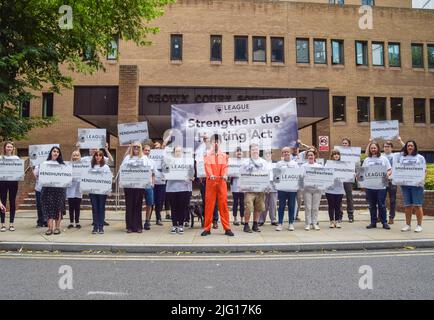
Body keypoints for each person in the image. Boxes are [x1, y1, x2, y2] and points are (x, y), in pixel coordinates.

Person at [201, 134, 234, 236]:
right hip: (211, 183)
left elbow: (225, 167)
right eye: (214, 142)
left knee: (223, 205)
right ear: (211, 143)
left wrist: (224, 174)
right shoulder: (207, 156)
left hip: (221, 183)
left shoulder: (224, 156)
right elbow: (207, 167)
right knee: (209, 205)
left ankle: (227, 228)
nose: (215, 143)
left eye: (217, 142)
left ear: (220, 143)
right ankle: (207, 228)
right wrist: (210, 175)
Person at [78, 142, 113, 226]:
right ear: (89, 150)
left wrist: (106, 149)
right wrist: (78, 148)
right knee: (94, 206)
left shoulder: (102, 160)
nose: (94, 150)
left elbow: (111, 161)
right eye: (92, 148)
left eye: (95, 149)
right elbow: (76, 162)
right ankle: (95, 221)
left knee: (101, 206)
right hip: (92, 188)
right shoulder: (86, 160)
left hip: (102, 188)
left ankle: (101, 221)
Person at [361, 141, 391, 230]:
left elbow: (389, 170)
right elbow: (362, 172)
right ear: (369, 150)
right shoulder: (367, 160)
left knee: (381, 204)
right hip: (370, 187)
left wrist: (387, 175)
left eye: (374, 148)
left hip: (381, 186)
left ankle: (384, 222)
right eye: (371, 148)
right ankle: (373, 222)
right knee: (372, 205)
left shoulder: (384, 159)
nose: (373, 149)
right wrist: (359, 179)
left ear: (378, 148)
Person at [398, 140, 426, 233]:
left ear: (415, 147)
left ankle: (419, 225)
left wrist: (421, 181)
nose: (410, 147)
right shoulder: (402, 157)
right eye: (408, 146)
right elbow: (398, 169)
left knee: (417, 205)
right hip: (405, 185)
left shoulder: (420, 157)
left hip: (417, 185)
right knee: (407, 206)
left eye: (411, 145)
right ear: (406, 147)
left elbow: (424, 171)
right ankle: (408, 225)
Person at [165, 146, 194, 234]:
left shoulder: (187, 161)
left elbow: (191, 172)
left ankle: (181, 225)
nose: (178, 152)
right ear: (173, 152)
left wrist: (191, 177)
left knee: (182, 207)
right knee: (173, 208)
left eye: (179, 151)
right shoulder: (169, 161)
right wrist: (164, 175)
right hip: (172, 188)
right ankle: (174, 225)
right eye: (176, 151)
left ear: (182, 152)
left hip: (183, 188)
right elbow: (165, 172)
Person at [241, 143, 269, 233]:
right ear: (250, 151)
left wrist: (266, 186)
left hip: (260, 190)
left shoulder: (264, 162)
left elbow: (267, 175)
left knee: (258, 207)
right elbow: (242, 174)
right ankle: (246, 225)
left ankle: (255, 225)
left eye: (256, 149)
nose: (255, 151)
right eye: (253, 149)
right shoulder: (245, 162)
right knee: (249, 207)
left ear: (259, 151)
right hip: (249, 190)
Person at [40, 147, 67, 235]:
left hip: (59, 190)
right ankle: (50, 228)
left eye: (57, 152)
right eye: (54, 151)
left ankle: (57, 228)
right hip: (47, 189)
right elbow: (39, 175)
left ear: (59, 154)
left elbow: (66, 177)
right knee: (48, 208)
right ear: (51, 153)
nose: (55, 153)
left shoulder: (63, 165)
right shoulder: (44, 163)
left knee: (58, 208)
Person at [121, 142, 146, 233]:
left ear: (140, 148)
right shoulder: (127, 158)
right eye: (134, 146)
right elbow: (122, 169)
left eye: (138, 147)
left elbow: (148, 169)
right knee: (129, 205)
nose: (136, 148)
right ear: (131, 148)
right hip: (129, 186)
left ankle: (138, 226)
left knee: (138, 206)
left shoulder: (144, 158)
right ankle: (129, 227)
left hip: (140, 186)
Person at [196, 133, 219, 229]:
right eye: (204, 137)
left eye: (207, 137)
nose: (205, 139)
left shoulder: (214, 149)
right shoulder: (199, 150)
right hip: (203, 179)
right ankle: (207, 219)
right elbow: (197, 162)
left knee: (215, 200)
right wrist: (199, 175)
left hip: (213, 178)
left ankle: (215, 220)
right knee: (205, 200)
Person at [275, 147, 299, 231]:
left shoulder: (295, 164)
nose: (286, 153)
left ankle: (291, 223)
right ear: (282, 154)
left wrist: (297, 185)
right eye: (284, 152)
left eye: (288, 152)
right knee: (281, 206)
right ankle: (280, 223)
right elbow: (276, 176)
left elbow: (298, 176)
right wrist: (277, 185)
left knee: (291, 206)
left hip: (292, 190)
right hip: (282, 189)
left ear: (290, 153)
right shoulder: (279, 164)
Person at [381, 137, 405, 224]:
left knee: (392, 200)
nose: (386, 148)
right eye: (385, 146)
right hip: (382, 181)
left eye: (388, 146)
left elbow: (406, 149)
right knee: (381, 200)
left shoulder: (395, 155)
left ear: (392, 148)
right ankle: (381, 216)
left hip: (392, 181)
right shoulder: (381, 156)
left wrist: (399, 141)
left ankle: (391, 217)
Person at [89, 151, 112, 234]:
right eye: (96, 155)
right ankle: (95, 227)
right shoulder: (90, 166)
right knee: (94, 208)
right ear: (94, 157)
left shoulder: (105, 167)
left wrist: (109, 190)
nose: (98, 157)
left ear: (102, 157)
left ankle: (101, 227)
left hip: (102, 192)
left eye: (100, 156)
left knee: (101, 208)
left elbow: (109, 178)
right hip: (93, 191)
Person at [0, 141, 20, 232]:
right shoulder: (0, 158)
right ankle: (3, 224)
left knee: (12, 202)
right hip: (2, 182)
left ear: (13, 148)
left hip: (13, 182)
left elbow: (19, 170)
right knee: (2, 202)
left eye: (10, 147)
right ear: (4, 148)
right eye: (7, 147)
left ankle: (11, 224)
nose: (9, 148)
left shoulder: (16, 158)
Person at [301, 149, 323, 231]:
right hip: (307, 189)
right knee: (308, 207)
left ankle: (314, 223)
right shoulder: (303, 166)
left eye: (312, 155)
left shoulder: (319, 166)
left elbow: (322, 177)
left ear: (314, 156)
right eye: (309, 155)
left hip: (317, 189)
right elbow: (301, 177)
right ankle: (308, 223)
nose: (310, 156)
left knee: (315, 207)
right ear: (307, 157)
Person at [325, 150, 345, 229]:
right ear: (332, 156)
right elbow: (325, 174)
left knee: (338, 206)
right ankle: (331, 221)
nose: (336, 156)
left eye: (338, 154)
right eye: (334, 154)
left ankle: (337, 221)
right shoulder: (328, 164)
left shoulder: (343, 165)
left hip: (339, 188)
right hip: (330, 189)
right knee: (331, 206)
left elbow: (346, 174)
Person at [259, 149, 278, 226]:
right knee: (263, 204)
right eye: (266, 153)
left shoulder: (276, 163)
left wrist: (275, 184)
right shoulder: (261, 164)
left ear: (271, 154)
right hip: (264, 185)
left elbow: (278, 175)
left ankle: (273, 219)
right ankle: (261, 220)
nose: (267, 154)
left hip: (273, 185)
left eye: (269, 153)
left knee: (273, 203)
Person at [66, 150, 83, 229]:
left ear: (80, 156)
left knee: (77, 206)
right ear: (72, 156)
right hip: (70, 188)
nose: (75, 156)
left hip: (78, 188)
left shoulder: (83, 166)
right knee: (71, 207)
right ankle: (71, 222)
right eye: (74, 155)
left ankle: (77, 222)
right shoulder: (68, 165)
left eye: (77, 155)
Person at [340, 138, 355, 223]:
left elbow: (356, 165)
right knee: (339, 197)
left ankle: (350, 215)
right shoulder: (338, 153)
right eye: (343, 143)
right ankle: (340, 215)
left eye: (346, 143)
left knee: (349, 197)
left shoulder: (353, 154)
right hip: (340, 179)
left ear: (349, 145)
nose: (344, 145)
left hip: (348, 178)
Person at [142, 143, 156, 230]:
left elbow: (153, 174)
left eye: (148, 150)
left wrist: (153, 183)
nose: (147, 152)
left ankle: (147, 221)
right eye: (145, 150)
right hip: (140, 185)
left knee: (149, 203)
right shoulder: (139, 160)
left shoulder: (152, 161)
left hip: (149, 185)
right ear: (142, 150)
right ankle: (137, 220)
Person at [230, 147, 245, 226]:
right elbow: (229, 172)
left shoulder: (245, 162)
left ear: (242, 153)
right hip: (235, 185)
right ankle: (235, 219)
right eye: (237, 151)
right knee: (235, 202)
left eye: (240, 151)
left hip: (243, 185)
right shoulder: (231, 162)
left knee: (242, 202)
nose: (239, 152)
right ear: (235, 153)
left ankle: (242, 218)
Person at [153, 140, 166, 226]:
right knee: (152, 201)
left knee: (160, 201)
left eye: (158, 147)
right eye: (155, 147)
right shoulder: (151, 156)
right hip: (152, 182)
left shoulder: (164, 155)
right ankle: (148, 219)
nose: (157, 149)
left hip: (162, 182)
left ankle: (158, 218)